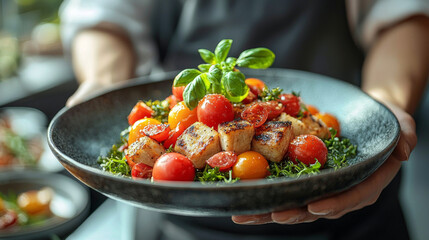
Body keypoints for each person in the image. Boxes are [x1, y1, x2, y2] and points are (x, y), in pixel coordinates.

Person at [60, 0, 429, 239]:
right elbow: (104, 15)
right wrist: (102, 87)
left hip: (349, 222)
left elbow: (403, 14)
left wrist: (384, 104)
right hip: (178, 218)